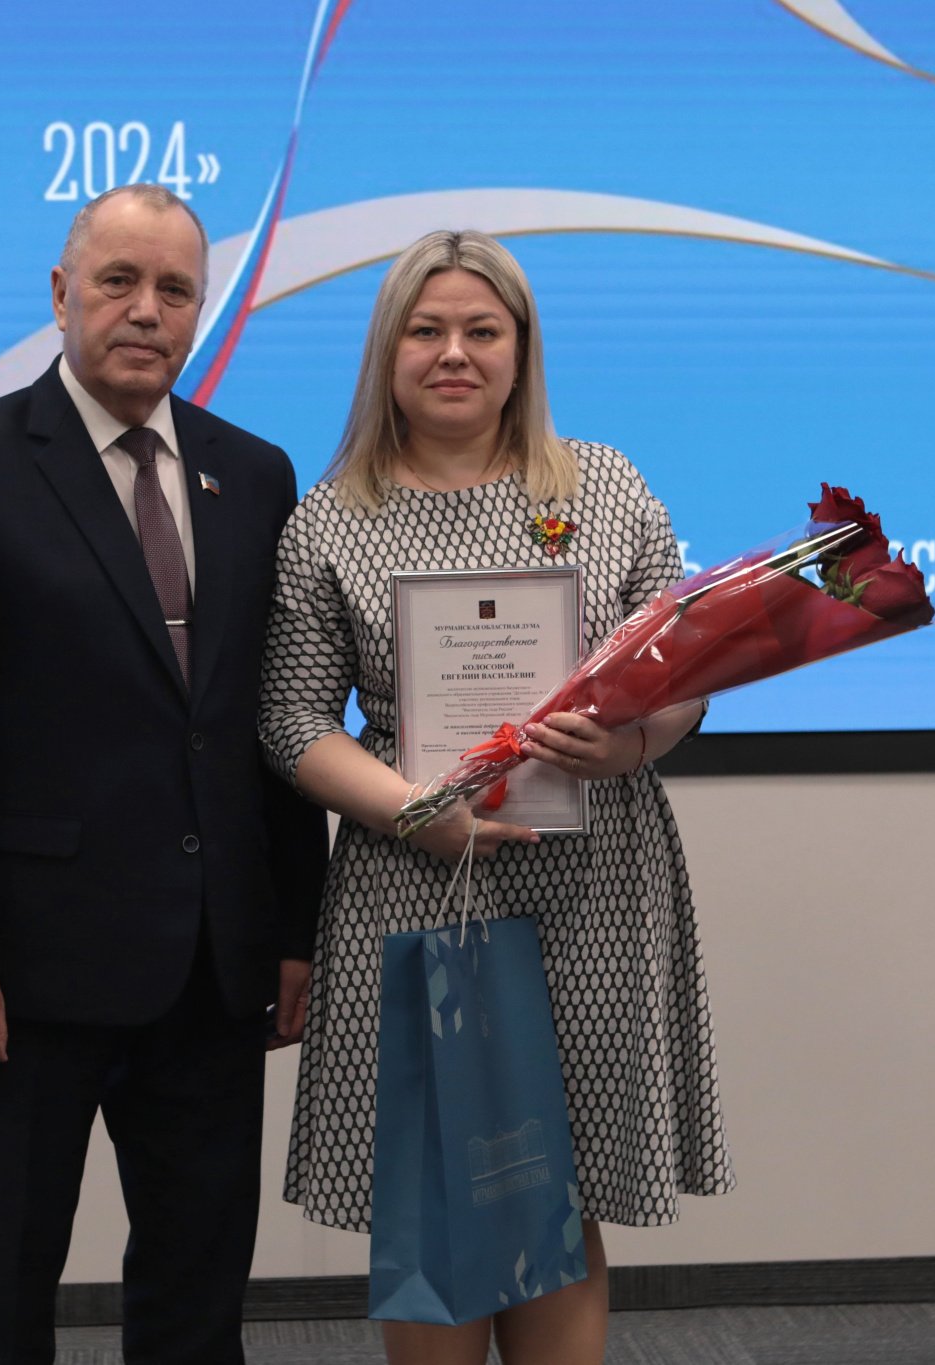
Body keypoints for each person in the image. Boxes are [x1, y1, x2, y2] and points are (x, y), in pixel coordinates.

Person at [0, 183, 329, 1365]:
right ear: (60, 293)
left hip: (211, 973)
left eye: (174, 289)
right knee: (1, 1293)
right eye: (118, 280)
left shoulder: (253, 473)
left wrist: (292, 930)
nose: (145, 310)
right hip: (23, 978)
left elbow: (268, 721)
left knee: (195, 1304)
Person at [257, 230, 732, 1365]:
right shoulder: (329, 519)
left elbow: (686, 676)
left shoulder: (606, 485)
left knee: (562, 1189)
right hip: (415, 880)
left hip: (591, 883)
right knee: (437, 1189)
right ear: (388, 351)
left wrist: (632, 742)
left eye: (482, 329)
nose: (454, 353)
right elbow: (289, 718)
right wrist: (415, 812)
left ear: (522, 350)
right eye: (426, 330)